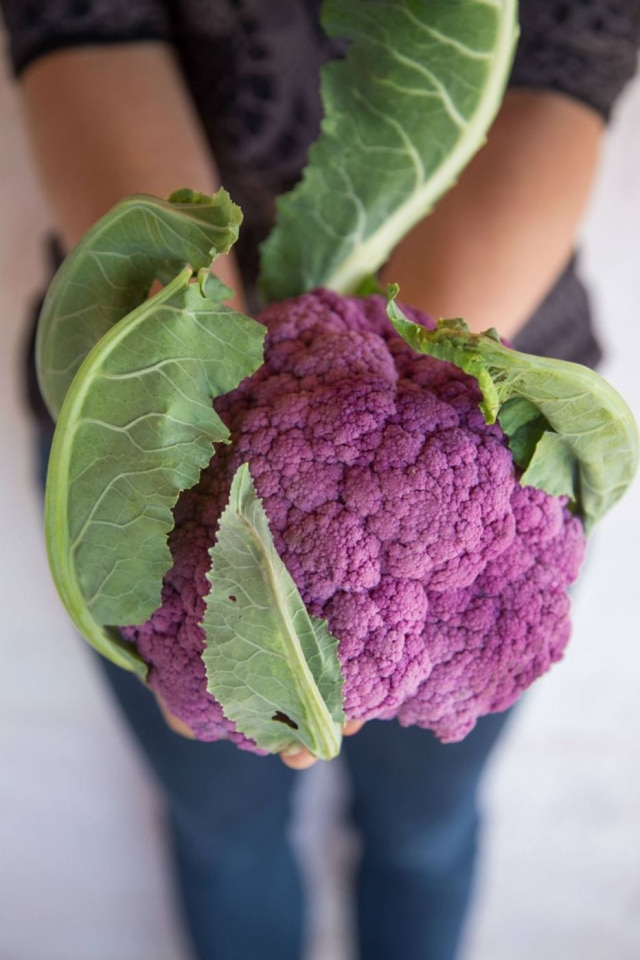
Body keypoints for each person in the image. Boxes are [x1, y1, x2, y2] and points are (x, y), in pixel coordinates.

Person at [1, 2, 639, 958]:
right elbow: (81, 29)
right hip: (147, 390)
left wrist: (407, 365)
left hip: (484, 398)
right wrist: (207, 391)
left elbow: (567, 66)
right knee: (222, 823)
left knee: (427, 824)